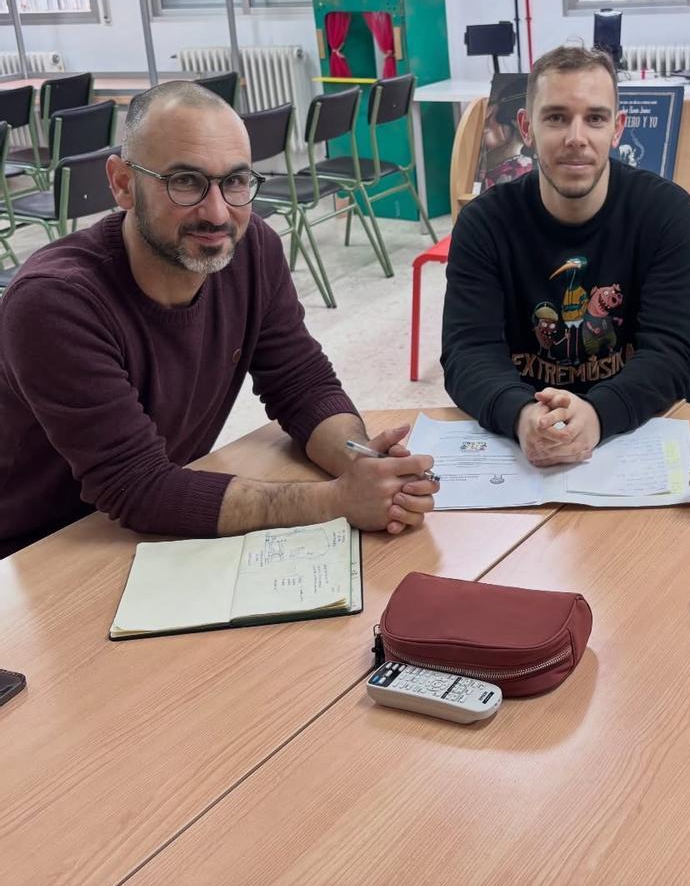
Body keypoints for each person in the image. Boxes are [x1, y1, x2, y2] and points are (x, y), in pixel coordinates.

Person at [0, 81, 437, 557]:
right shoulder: (55, 303)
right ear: (123, 183)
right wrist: (337, 499)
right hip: (40, 553)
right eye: (185, 182)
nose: (217, 213)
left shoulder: (252, 250)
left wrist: (362, 461)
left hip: (148, 528)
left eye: (235, 181)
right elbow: (136, 487)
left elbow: (302, 384)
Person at [442, 43, 690, 468]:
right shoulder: (482, 224)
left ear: (617, 129)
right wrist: (522, 416)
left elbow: (672, 353)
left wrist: (598, 414)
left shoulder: (664, 212)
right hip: (522, 442)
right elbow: (467, 352)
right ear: (526, 127)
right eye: (557, 117)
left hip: (628, 434)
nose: (576, 138)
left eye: (595, 119)